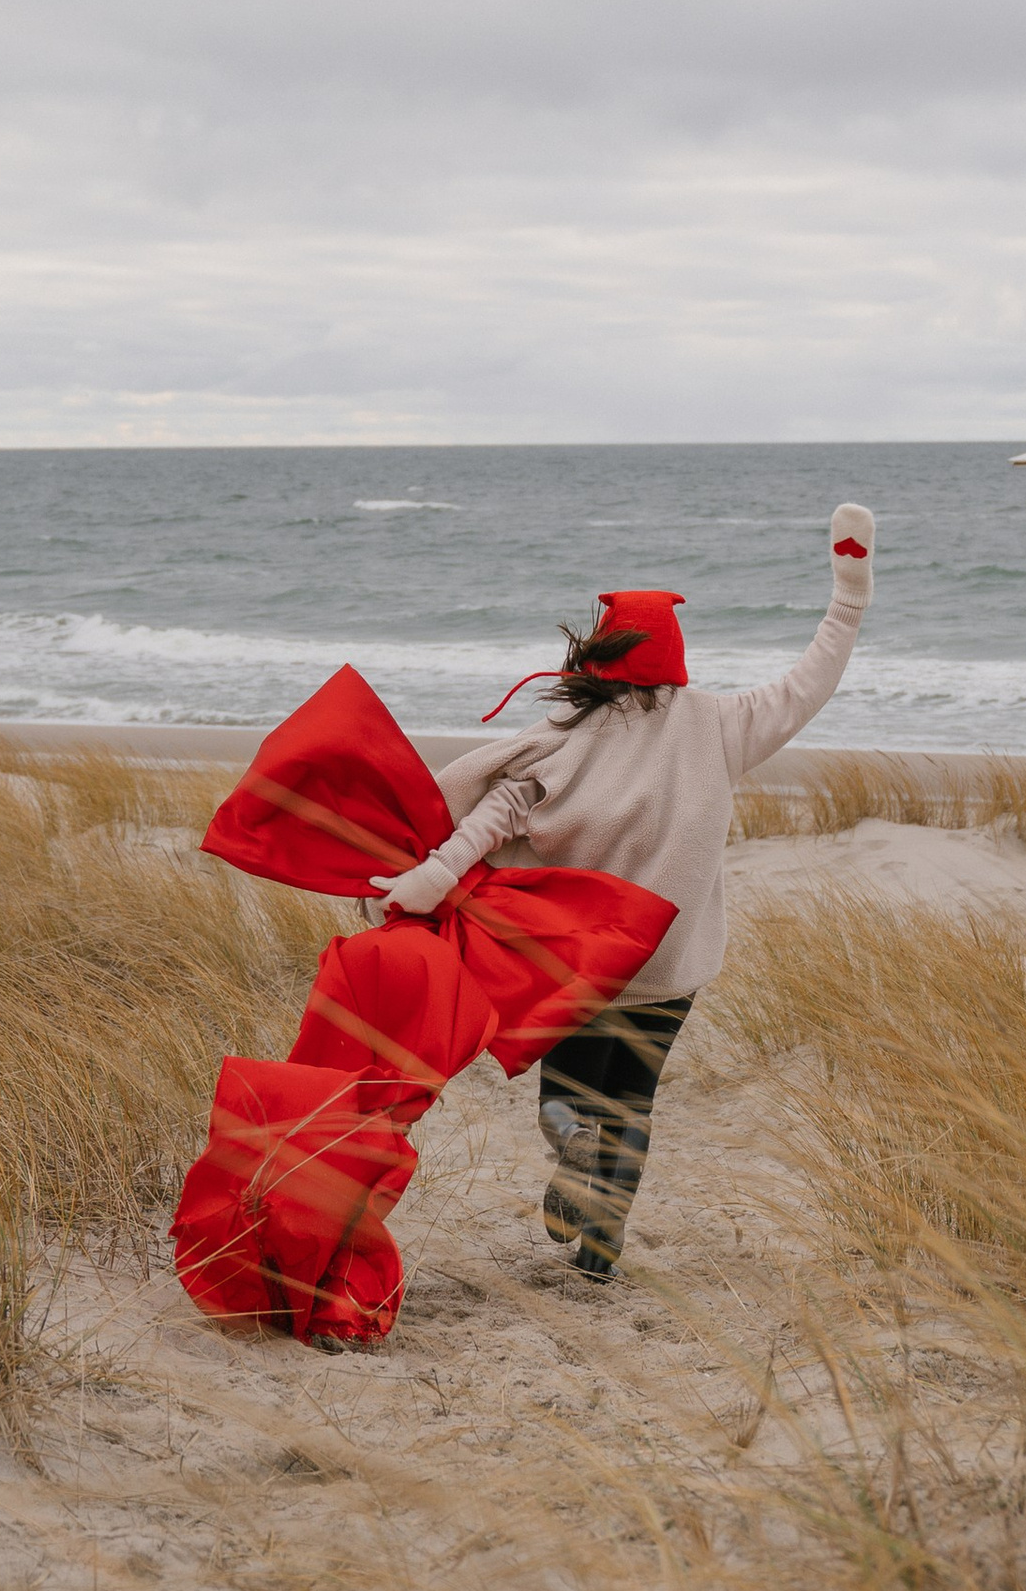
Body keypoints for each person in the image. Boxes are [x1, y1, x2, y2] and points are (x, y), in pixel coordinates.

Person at [362, 502, 877, 1279]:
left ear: (596, 654)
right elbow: (810, 683)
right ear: (676, 653)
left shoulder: (562, 746)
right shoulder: (723, 726)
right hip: (668, 968)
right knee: (633, 1103)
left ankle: (569, 1138)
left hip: (578, 966)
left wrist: (428, 882)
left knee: (567, 1091)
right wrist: (848, 600)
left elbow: (491, 822)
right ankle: (599, 1258)